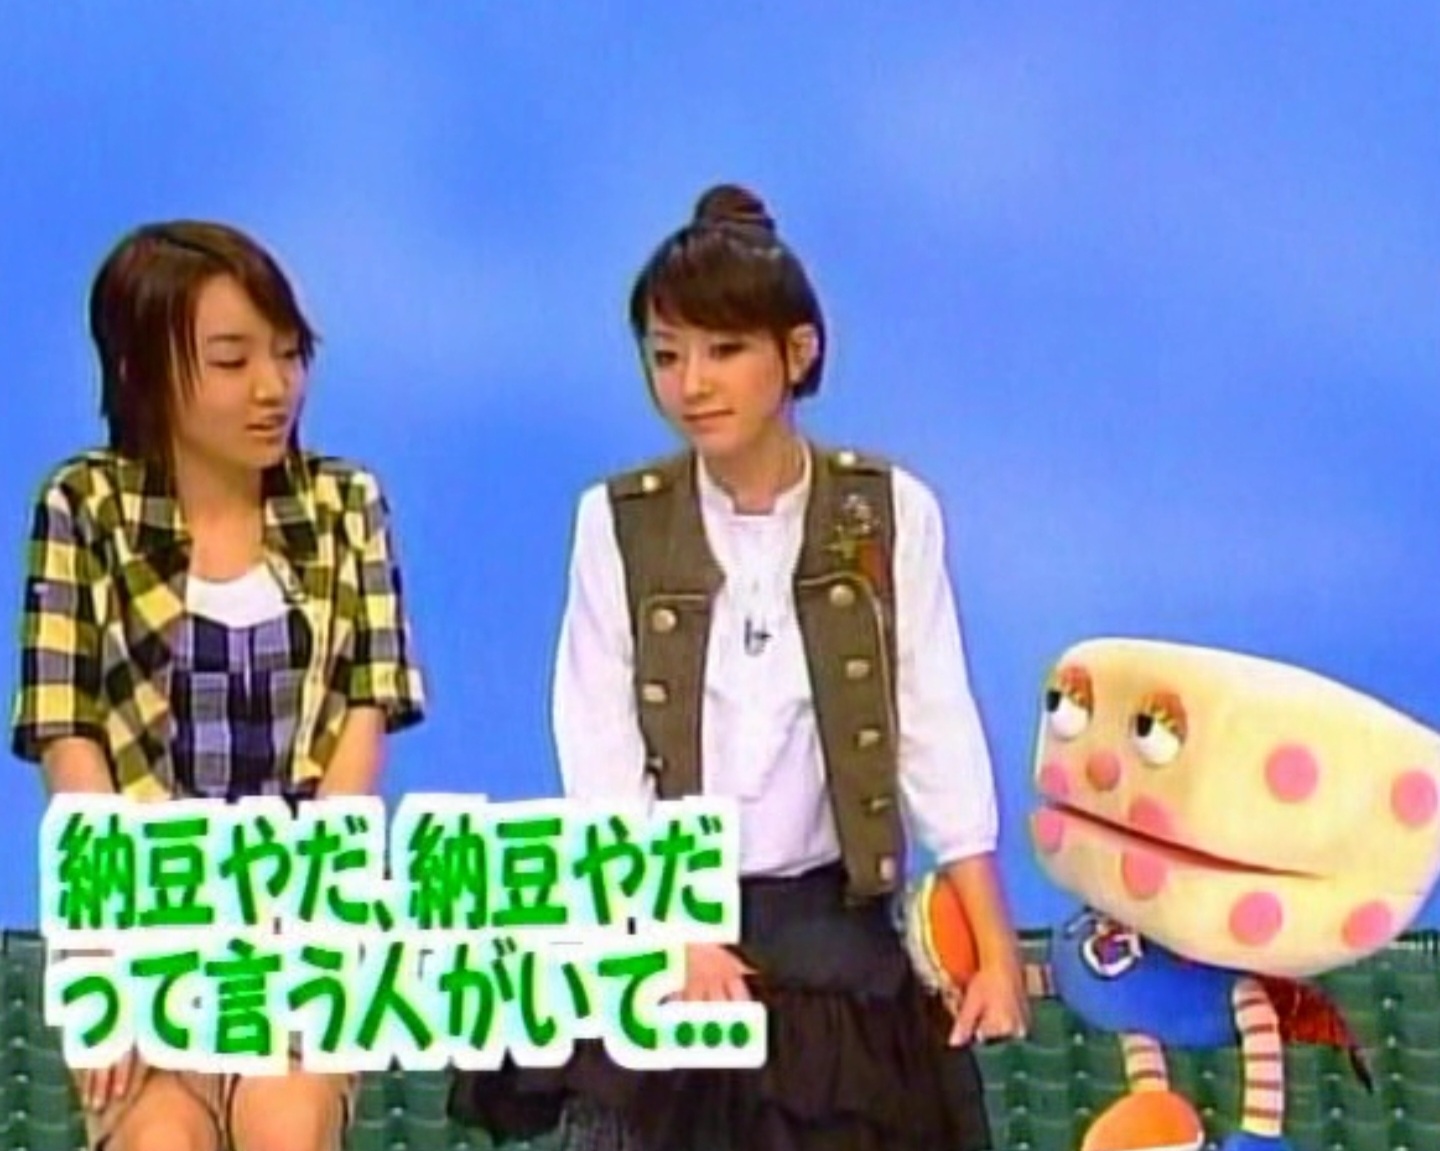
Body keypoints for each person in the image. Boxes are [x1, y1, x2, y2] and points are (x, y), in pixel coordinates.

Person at [448, 183, 1027, 1151]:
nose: (692, 383)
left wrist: (994, 943)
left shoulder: (887, 512)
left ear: (797, 352)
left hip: (831, 925)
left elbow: (934, 721)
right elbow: (597, 742)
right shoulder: (620, 522)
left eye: (724, 350)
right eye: (666, 355)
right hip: (663, 903)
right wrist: (671, 926)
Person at [9, 220, 427, 1151]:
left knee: (287, 1124)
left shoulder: (345, 505)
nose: (272, 387)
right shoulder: (84, 508)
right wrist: (105, 958)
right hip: (141, 920)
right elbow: (67, 736)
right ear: (141, 369)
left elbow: (364, 722)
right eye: (233, 360)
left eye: (288, 353)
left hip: (301, 918)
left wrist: (319, 920)